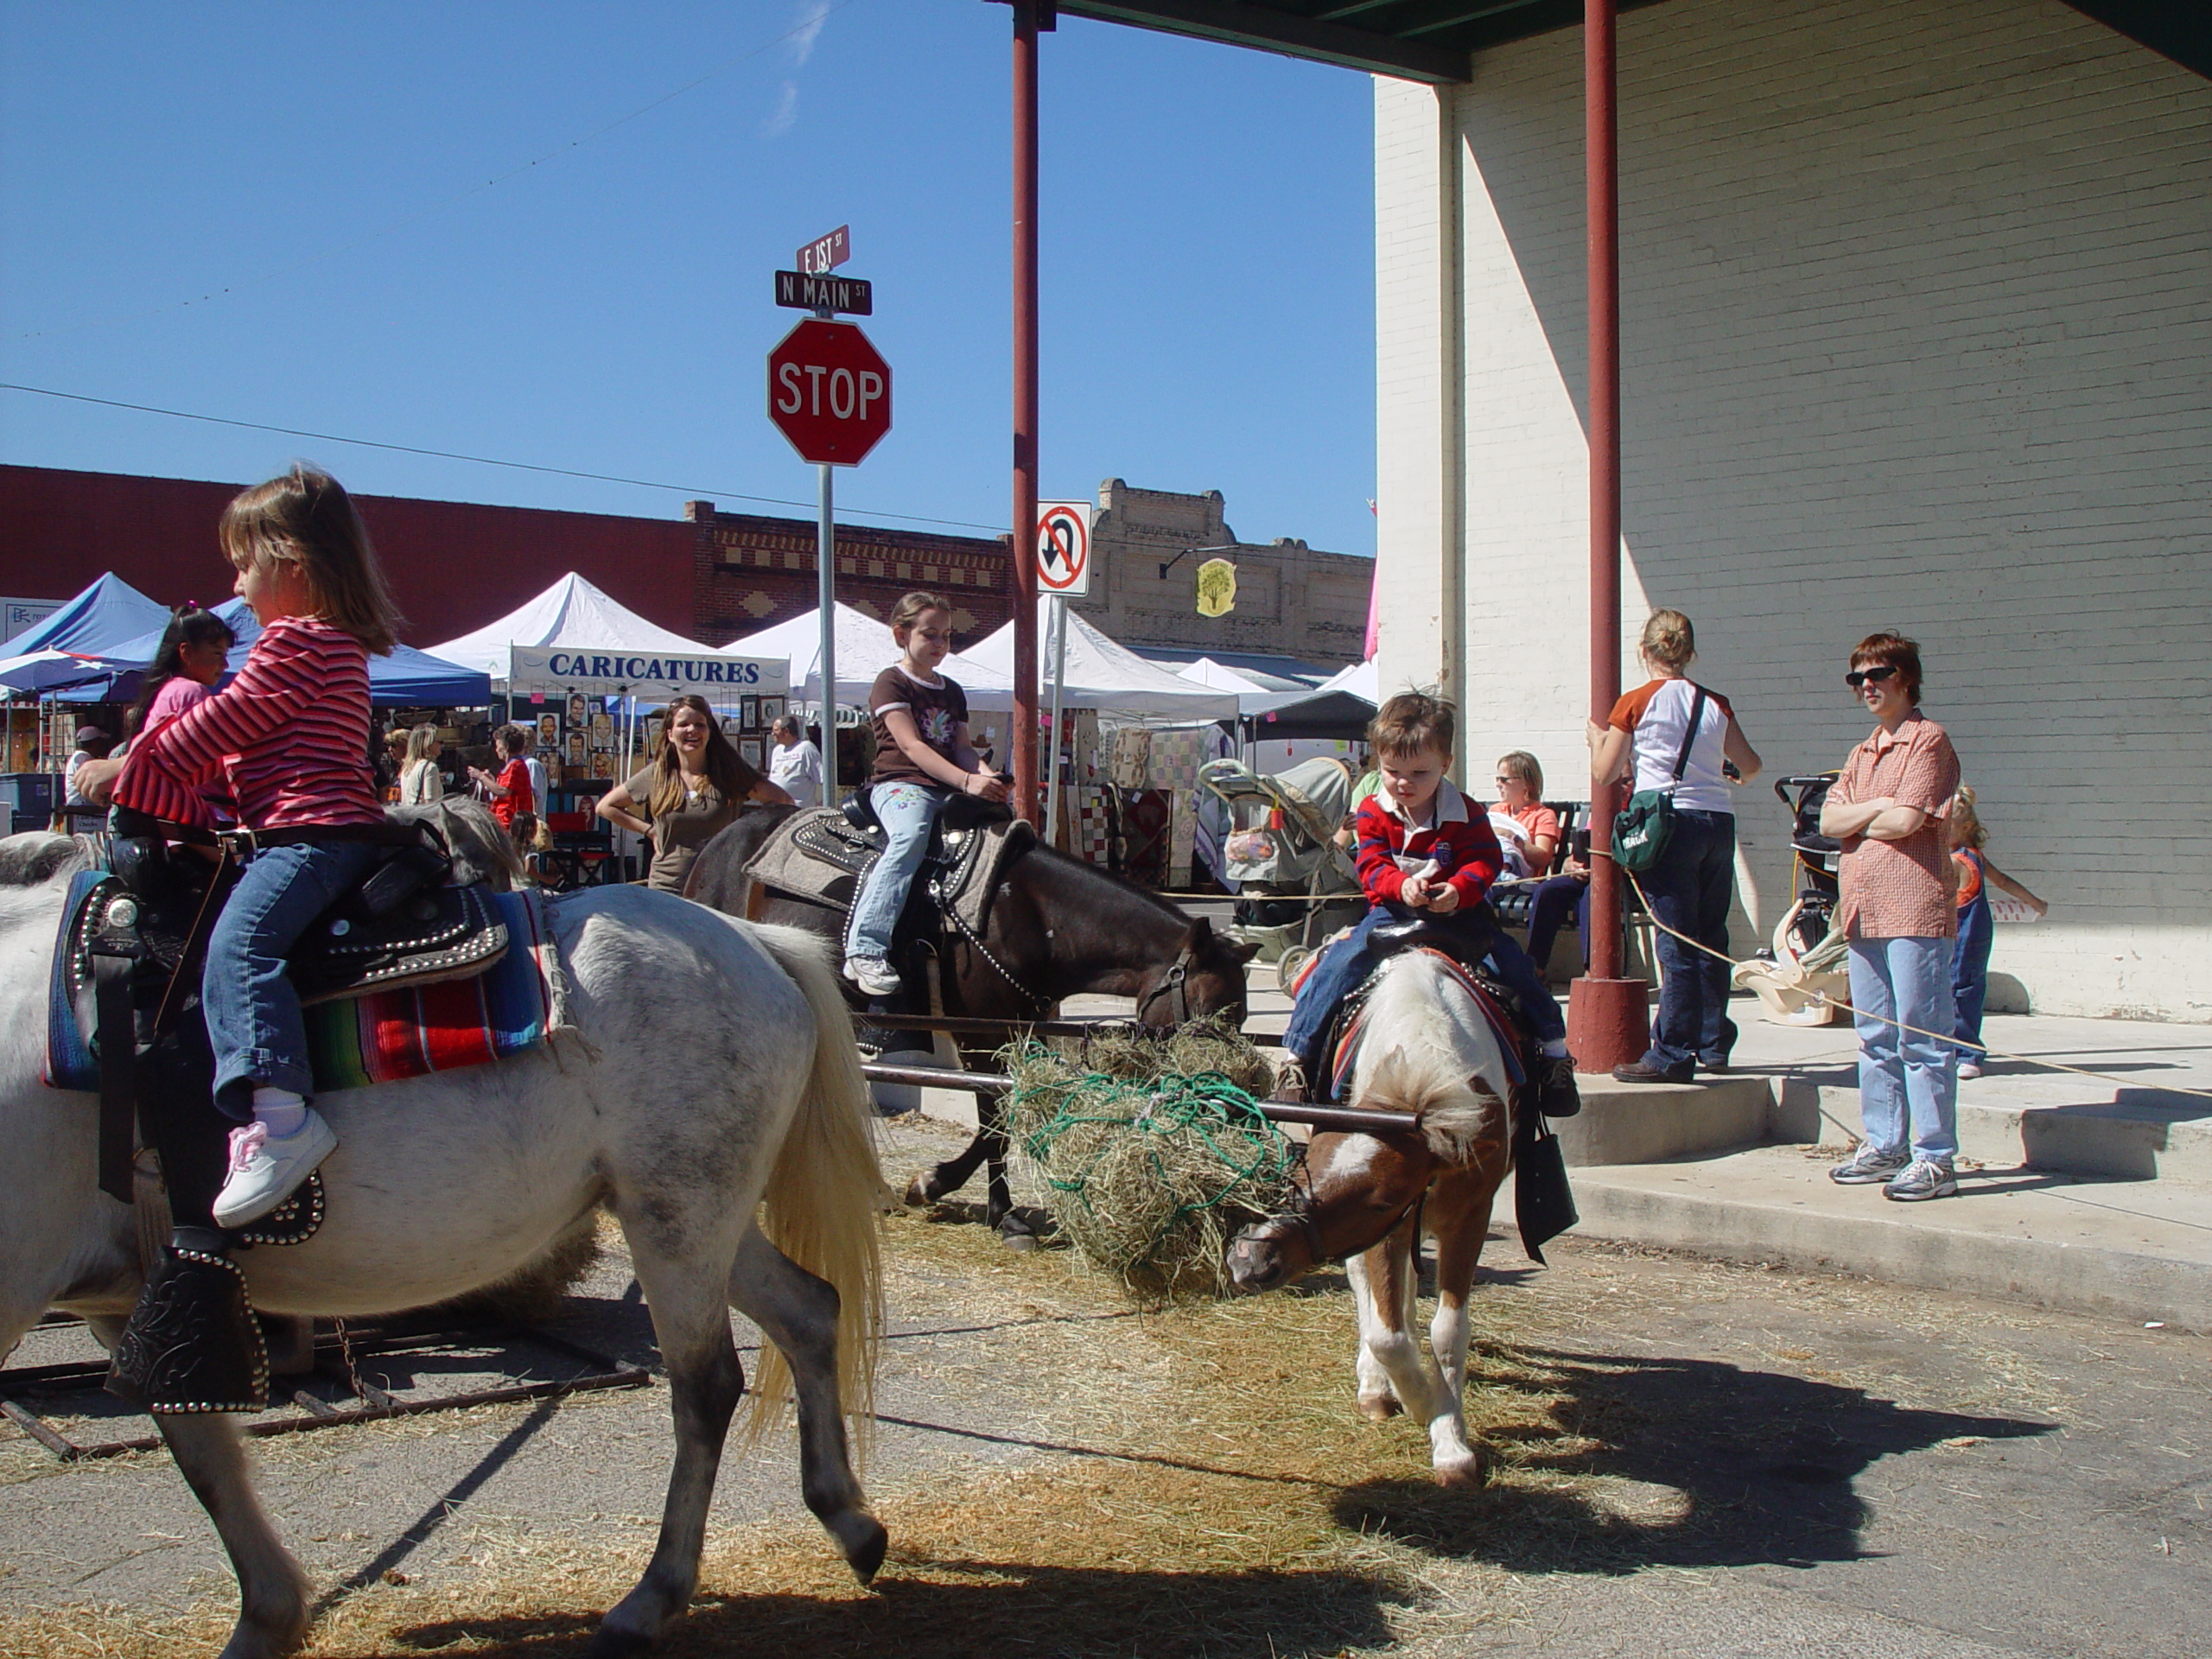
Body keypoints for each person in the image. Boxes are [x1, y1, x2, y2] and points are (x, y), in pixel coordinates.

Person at [105, 464, 405, 1228]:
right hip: (300, 828)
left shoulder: (300, 641)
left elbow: (225, 723)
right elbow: (236, 744)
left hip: (314, 835)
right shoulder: (327, 642)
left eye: (245, 565)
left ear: (293, 566)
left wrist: (129, 765)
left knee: (238, 947)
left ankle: (280, 1119)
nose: (235, 588)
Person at [1277, 692, 1580, 1117]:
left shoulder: (1468, 812)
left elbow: (1485, 859)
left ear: (1445, 765)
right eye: (1392, 771)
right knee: (1338, 964)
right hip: (1391, 913)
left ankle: (1553, 1053)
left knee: (1515, 965)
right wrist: (1400, 887)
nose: (1404, 783)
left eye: (1419, 772)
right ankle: (1299, 1058)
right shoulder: (1371, 812)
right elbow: (1371, 863)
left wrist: (1458, 889)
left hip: (1461, 914)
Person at [1820, 632, 1964, 1203]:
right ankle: (1885, 1143)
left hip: (1914, 908)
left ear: (1905, 677)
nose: (1866, 688)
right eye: (1857, 678)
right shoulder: (1861, 753)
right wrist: (1879, 807)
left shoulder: (1928, 741)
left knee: (1922, 1036)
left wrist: (1867, 814)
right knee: (1874, 1035)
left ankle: (1934, 1156)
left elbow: (1907, 823)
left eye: (1876, 675)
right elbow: (1827, 824)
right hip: (1863, 909)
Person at [1591, 608, 1763, 1084]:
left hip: (1667, 820)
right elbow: (1751, 766)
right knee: (1711, 934)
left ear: (1644, 651)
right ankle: (1713, 1042)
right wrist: (1726, 774)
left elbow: (1606, 772)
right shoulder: (1715, 703)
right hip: (1716, 819)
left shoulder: (1635, 702)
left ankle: (1671, 1052)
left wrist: (1596, 741)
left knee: (1677, 939)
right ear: (1689, 654)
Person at [842, 591, 1006, 996]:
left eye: (947, 636)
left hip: (948, 783)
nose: (940, 645)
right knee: (910, 836)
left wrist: (990, 780)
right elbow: (913, 746)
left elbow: (962, 748)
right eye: (930, 635)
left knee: (1008, 829)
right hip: (900, 784)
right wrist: (968, 782)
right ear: (902, 635)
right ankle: (865, 946)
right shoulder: (891, 682)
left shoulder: (951, 689)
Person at [595, 694, 792, 893]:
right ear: (670, 733)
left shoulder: (729, 774)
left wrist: (753, 843)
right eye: (684, 725)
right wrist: (649, 831)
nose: (692, 730)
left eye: (700, 725)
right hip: (667, 887)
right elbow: (605, 807)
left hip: (718, 889)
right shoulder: (657, 774)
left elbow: (783, 800)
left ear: (709, 732)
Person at [1946, 785, 2047, 1081]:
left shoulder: (1957, 861)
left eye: (1945, 828)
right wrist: (2034, 902)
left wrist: (2033, 902)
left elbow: (2001, 881)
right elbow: (2003, 881)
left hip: (1964, 937)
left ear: (1965, 828)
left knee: (1960, 992)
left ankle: (1967, 1053)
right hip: (1969, 936)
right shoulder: (1972, 856)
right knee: (1958, 992)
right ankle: (1953, 1050)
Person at [123, 604, 238, 743]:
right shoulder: (191, 691)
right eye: (217, 653)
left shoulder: (170, 690)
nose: (225, 664)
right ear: (186, 652)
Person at [468, 725, 534, 830]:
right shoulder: (511, 766)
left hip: (511, 824)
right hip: (506, 822)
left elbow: (504, 792)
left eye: (498, 745)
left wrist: (480, 777)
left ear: (506, 747)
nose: (496, 749)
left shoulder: (515, 765)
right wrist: (489, 779)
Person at [767, 714, 825, 809]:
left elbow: (822, 778)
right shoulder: (777, 750)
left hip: (798, 811)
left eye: (776, 730)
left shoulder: (806, 748)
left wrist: (821, 803)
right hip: (776, 809)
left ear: (786, 731)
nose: (772, 733)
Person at [63, 725, 116, 805]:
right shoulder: (82, 758)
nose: (103, 746)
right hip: (81, 804)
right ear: (95, 743)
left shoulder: (79, 756)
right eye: (101, 742)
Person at [397, 721, 445, 805]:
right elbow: (431, 804)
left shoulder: (407, 767)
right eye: (439, 741)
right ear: (428, 743)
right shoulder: (430, 768)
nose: (442, 745)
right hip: (423, 816)